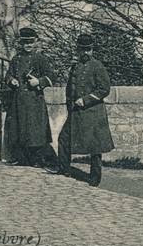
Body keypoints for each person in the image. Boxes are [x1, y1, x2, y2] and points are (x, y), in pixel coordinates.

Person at [45, 33, 115, 186]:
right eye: (82, 49)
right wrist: (69, 105)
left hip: (93, 113)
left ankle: (95, 178)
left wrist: (86, 99)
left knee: (95, 147)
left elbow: (104, 89)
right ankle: (64, 170)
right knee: (63, 139)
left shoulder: (98, 66)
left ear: (92, 50)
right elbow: (70, 87)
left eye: (88, 49)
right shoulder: (75, 66)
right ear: (78, 50)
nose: (85, 53)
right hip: (76, 113)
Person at [2, 27, 57, 167]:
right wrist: (11, 80)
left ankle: (37, 159)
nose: (28, 45)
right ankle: (21, 158)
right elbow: (8, 75)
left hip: (34, 101)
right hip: (19, 101)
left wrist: (38, 81)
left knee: (35, 132)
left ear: (35, 42)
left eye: (31, 42)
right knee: (19, 130)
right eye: (26, 42)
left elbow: (51, 77)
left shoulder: (40, 59)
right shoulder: (16, 59)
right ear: (21, 43)